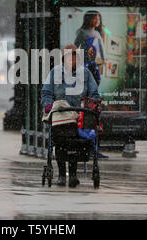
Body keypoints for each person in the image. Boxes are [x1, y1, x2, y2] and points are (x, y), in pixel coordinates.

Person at [41, 44, 100, 188]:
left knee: (75, 141)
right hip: (61, 114)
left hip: (78, 113)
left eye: (73, 56)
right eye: (68, 56)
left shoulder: (85, 74)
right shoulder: (55, 73)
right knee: (61, 139)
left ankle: (73, 174)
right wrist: (49, 105)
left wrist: (92, 105)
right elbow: (46, 92)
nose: (71, 59)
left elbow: (94, 94)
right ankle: (62, 174)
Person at [74, 10, 106, 85]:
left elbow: (101, 48)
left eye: (99, 19)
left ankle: (93, 92)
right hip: (83, 61)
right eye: (95, 18)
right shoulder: (82, 32)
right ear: (88, 19)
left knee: (97, 78)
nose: (97, 21)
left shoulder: (97, 34)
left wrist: (104, 59)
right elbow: (75, 46)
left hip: (93, 61)